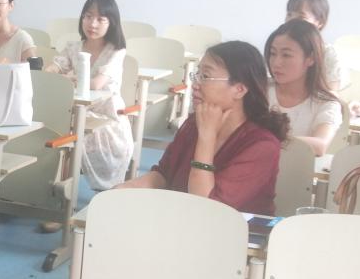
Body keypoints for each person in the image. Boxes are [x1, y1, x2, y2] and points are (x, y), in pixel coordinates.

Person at [116, 41, 288, 216]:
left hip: (233, 230)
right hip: (183, 221)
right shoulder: (194, 123)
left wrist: (207, 137)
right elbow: (163, 175)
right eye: (197, 75)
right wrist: (127, 188)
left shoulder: (262, 146)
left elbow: (207, 208)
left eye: (205, 76)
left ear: (239, 89)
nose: (195, 84)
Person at [45, 0, 133, 191]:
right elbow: (52, 70)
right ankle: (58, 190)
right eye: (88, 16)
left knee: (71, 134)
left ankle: (65, 190)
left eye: (101, 19)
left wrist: (67, 79)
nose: (92, 24)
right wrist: (54, 71)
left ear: (111, 22)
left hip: (106, 116)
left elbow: (96, 84)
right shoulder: (73, 47)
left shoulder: (116, 51)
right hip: (76, 111)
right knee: (53, 129)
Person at [265, 19, 343, 156]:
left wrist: (263, 141)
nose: (276, 63)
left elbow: (320, 145)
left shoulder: (325, 103)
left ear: (310, 58)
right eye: (273, 53)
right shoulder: (260, 90)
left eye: (286, 55)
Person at [285, 0, 343, 90]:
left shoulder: (327, 53)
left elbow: (333, 91)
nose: (291, 21)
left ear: (319, 22)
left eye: (301, 17)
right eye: (289, 14)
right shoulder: (279, 47)